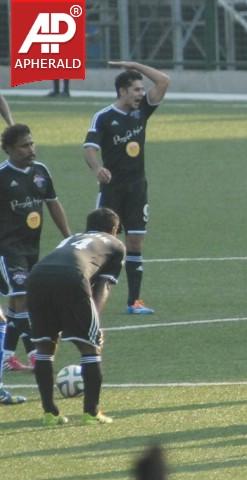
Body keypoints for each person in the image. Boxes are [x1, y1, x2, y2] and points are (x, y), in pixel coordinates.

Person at [83, 61, 170, 315]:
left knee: (135, 242)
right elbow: (89, 148)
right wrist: (97, 168)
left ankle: (134, 302)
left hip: (137, 188)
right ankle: (85, 297)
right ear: (122, 91)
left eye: (142, 89)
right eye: (136, 89)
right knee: (101, 246)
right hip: (112, 190)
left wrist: (134, 66)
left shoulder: (142, 110)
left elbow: (164, 80)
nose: (141, 94)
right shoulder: (104, 117)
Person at [28, 208, 125, 425]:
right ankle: (91, 412)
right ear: (114, 229)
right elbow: (103, 286)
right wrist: (94, 322)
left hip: (37, 276)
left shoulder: (72, 238)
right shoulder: (115, 244)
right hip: (71, 276)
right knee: (90, 347)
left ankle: (49, 413)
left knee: (45, 347)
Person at [0, 124, 72, 394]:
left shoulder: (41, 171)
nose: (31, 150)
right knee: (23, 300)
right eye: (24, 146)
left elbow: (53, 203)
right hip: (7, 249)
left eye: (32, 144)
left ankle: (29, 353)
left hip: (31, 249)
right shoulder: (2, 176)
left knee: (20, 306)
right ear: (8, 149)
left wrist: (68, 237)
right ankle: (8, 357)